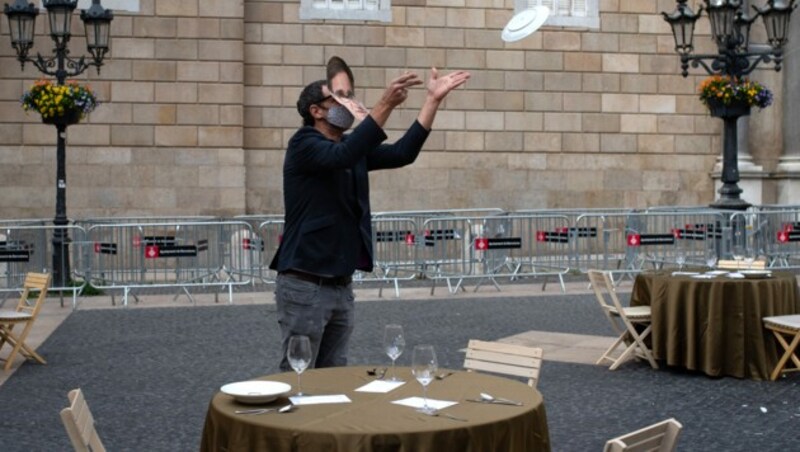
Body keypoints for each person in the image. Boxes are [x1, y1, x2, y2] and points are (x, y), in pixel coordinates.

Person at [270, 59, 470, 371]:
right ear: (316, 111)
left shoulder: (350, 145)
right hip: (305, 283)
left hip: (340, 284)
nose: (347, 104)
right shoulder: (304, 144)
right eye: (338, 98)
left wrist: (432, 101)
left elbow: (403, 153)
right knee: (299, 373)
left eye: (350, 96)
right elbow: (343, 156)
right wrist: (385, 103)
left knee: (334, 373)